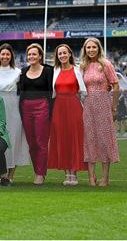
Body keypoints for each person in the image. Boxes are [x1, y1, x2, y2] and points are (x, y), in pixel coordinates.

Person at [80, 37, 120, 186]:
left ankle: (105, 177)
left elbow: (115, 85)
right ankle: (91, 177)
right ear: (85, 50)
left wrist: (114, 107)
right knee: (89, 140)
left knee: (104, 141)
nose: (91, 50)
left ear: (99, 48)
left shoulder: (105, 64)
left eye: (93, 47)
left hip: (103, 104)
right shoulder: (83, 66)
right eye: (88, 48)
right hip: (88, 105)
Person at [48, 44, 87, 186]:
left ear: (70, 54)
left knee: (74, 139)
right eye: (60, 54)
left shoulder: (77, 71)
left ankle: (74, 173)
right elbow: (51, 92)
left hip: (74, 106)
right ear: (57, 56)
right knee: (61, 139)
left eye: (65, 53)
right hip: (58, 107)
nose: (62, 55)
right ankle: (67, 174)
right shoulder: (55, 71)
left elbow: (83, 92)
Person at [0, 44, 30, 182]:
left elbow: (23, 93)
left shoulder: (18, 72)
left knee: (13, 141)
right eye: (2, 54)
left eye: (8, 54)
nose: (5, 57)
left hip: (14, 110)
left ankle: (11, 175)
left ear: (11, 56)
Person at [18, 43, 53, 185]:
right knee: (31, 143)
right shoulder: (23, 71)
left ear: (40, 56)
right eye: (29, 54)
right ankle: (36, 170)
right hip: (26, 108)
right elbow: (20, 92)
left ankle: (41, 173)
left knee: (41, 142)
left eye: (34, 54)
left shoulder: (48, 71)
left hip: (42, 106)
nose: (31, 57)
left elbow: (51, 91)